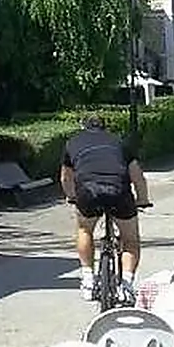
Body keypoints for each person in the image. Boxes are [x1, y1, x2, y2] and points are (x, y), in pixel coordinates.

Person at [60, 114, 151, 302]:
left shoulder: (73, 143)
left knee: (85, 229)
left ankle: (87, 279)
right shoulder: (119, 143)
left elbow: (65, 178)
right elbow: (137, 177)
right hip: (118, 191)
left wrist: (72, 197)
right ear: (105, 127)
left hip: (88, 191)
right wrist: (142, 199)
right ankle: (126, 286)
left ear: (84, 126)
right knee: (131, 240)